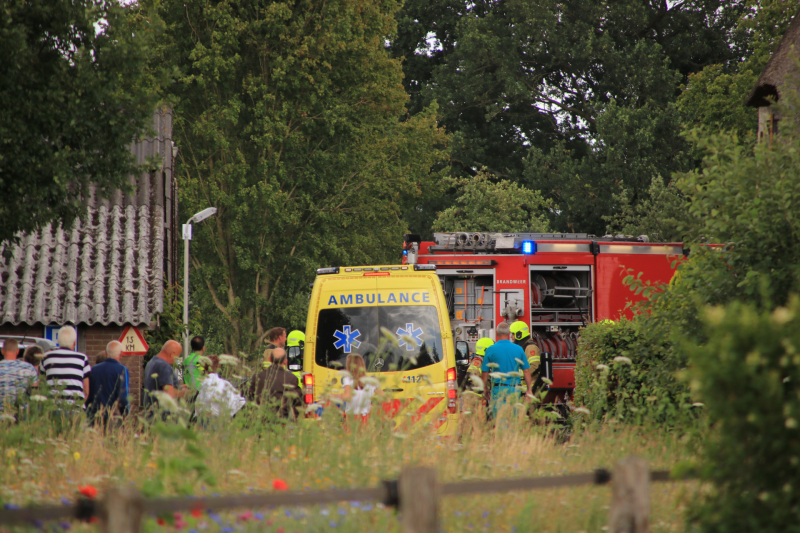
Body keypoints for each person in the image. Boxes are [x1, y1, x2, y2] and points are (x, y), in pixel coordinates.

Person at [480, 322, 533, 419]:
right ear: (509, 333)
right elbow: (526, 371)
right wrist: (529, 390)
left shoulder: (490, 349)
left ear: (496, 333)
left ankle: (501, 433)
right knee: (513, 419)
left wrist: (485, 389)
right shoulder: (519, 349)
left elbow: (484, 372)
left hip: (498, 389)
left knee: (499, 419)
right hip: (514, 389)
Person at [41, 326, 91, 406]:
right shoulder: (82, 358)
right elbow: (86, 391)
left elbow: (41, 384)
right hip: (75, 408)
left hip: (53, 407)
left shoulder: (46, 357)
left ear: (58, 341)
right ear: (74, 342)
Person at [248, 347, 301, 420]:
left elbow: (248, 397)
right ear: (285, 361)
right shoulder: (291, 378)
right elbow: (298, 402)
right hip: (281, 421)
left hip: (260, 420)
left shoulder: (257, 376)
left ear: (269, 359)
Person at [86, 341, 129, 426]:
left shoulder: (94, 369)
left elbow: (88, 394)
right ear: (121, 354)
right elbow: (123, 398)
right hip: (112, 416)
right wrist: (125, 415)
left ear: (106, 353)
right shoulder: (122, 370)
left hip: (94, 416)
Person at [143, 340, 188, 417]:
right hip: (163, 416)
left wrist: (178, 387)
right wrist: (184, 393)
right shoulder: (164, 366)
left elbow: (158, 387)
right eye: (177, 357)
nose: (175, 360)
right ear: (172, 354)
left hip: (151, 413)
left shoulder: (151, 362)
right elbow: (168, 393)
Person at [194, 355, 245, 422]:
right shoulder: (226, 384)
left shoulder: (205, 385)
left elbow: (200, 409)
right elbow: (241, 401)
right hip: (223, 422)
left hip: (206, 423)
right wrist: (229, 415)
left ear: (204, 368)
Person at [0, 339, 37, 414]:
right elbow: (34, 391)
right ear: (17, 351)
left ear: (2, 351)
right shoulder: (28, 368)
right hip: (21, 412)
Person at [341, 353, 381, 419]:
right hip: (365, 418)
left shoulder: (348, 379)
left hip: (351, 418)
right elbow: (386, 399)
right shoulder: (370, 381)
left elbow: (347, 397)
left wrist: (335, 396)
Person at [509, 320, 544, 392]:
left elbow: (535, 366)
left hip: (530, 388)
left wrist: (518, 374)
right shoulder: (523, 347)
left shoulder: (530, 347)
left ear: (519, 334)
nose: (511, 336)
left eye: (513, 334)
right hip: (523, 388)